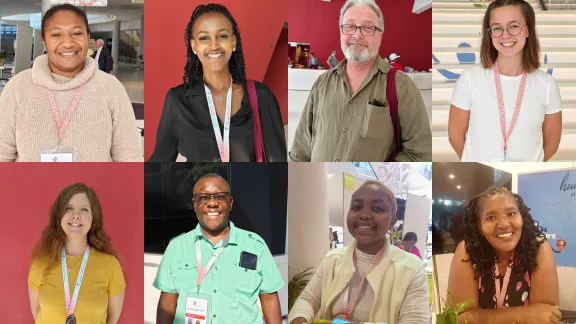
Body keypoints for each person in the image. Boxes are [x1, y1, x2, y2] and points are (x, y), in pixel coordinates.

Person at [290, 0, 431, 162]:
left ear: (380, 35)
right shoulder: (322, 83)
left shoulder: (401, 85)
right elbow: (300, 150)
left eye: (368, 28)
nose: (357, 35)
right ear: (341, 31)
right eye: (349, 26)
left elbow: (420, 153)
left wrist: (374, 179)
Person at [0, 4, 142, 162]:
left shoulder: (110, 87)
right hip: (28, 187)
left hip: (98, 187)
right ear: (44, 41)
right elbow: (2, 155)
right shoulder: (18, 87)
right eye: (56, 35)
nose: (68, 43)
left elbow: (129, 158)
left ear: (88, 37)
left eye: (76, 33)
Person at [149, 4, 287, 162]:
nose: (214, 45)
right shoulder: (178, 101)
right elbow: (159, 164)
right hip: (201, 187)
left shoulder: (262, 97)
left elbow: (278, 165)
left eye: (222, 36)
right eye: (204, 38)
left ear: (233, 42)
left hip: (249, 186)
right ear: (194, 46)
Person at [288, 181, 429, 324]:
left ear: (392, 221)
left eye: (377, 208)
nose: (364, 215)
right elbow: (307, 300)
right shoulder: (333, 259)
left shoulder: (411, 269)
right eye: (356, 207)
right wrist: (300, 319)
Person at [154, 173, 284, 324]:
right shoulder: (176, 247)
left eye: (220, 197)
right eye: (204, 198)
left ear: (230, 202)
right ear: (194, 204)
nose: (212, 203)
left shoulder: (255, 246)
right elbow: (167, 303)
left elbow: (269, 298)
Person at [448, 0, 562, 162]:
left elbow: (552, 144)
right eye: (497, 28)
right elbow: (455, 136)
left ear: (528, 29)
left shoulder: (547, 84)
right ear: (489, 33)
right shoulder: (470, 79)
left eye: (514, 26)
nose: (505, 35)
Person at [448, 187, 560, 324]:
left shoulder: (538, 248)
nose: (504, 224)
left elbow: (546, 314)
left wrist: (479, 317)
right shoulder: (467, 250)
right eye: (491, 217)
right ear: (479, 227)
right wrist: (525, 315)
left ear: (522, 217)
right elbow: (456, 317)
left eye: (511, 213)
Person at [28, 183, 125, 323]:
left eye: (84, 210)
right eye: (68, 208)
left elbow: (112, 318)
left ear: (94, 217)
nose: (76, 216)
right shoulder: (41, 263)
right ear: (59, 216)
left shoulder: (110, 265)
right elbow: (37, 314)